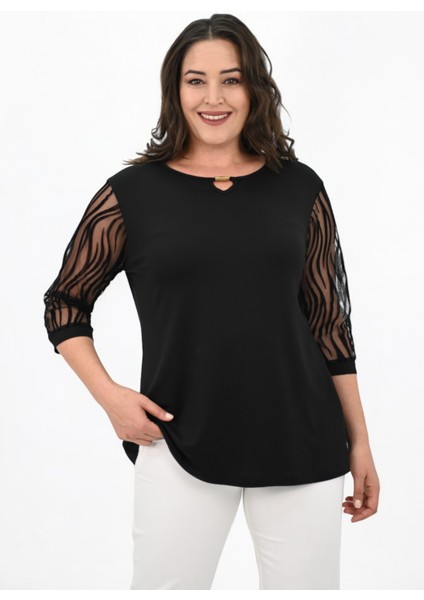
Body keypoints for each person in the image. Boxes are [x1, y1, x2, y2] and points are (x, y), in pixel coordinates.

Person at [43, 13, 380, 590]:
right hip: (176, 437)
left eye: (231, 79)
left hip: (301, 436)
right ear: (175, 90)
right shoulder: (132, 194)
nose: (214, 98)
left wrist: (361, 442)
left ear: (254, 88)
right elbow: (65, 302)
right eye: (196, 80)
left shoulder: (300, 187)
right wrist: (110, 398)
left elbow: (329, 324)